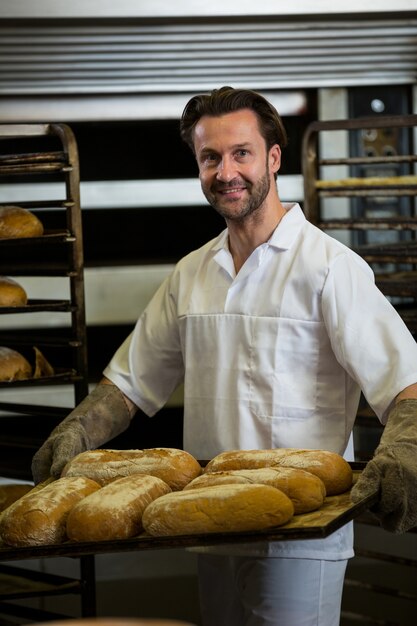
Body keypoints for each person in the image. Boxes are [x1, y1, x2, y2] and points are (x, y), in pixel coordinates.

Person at [32, 86, 417, 626]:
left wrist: (404, 452)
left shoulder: (329, 268)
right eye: (210, 157)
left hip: (300, 535)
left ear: (273, 158)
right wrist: (79, 430)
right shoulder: (191, 274)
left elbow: (406, 384)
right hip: (209, 523)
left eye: (241, 153)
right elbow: (132, 383)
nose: (225, 171)